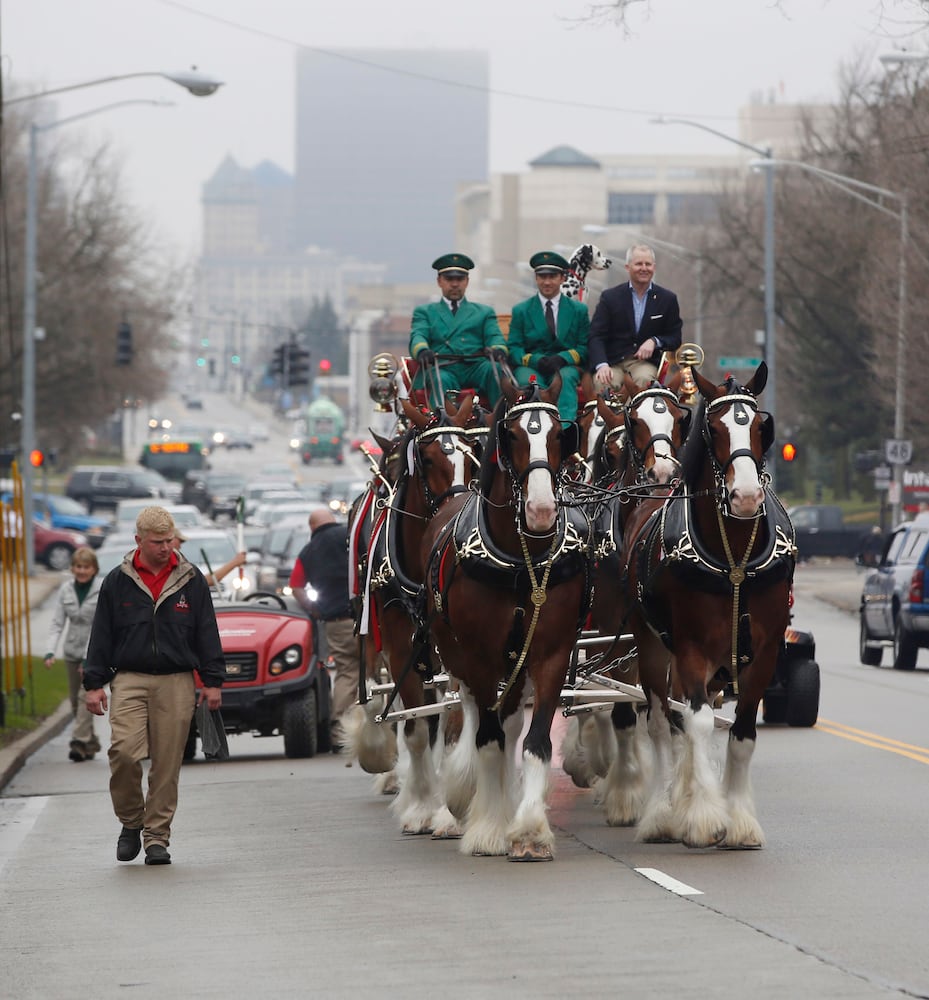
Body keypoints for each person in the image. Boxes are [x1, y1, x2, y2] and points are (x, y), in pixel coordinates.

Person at [84, 506, 224, 866]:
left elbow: (207, 631)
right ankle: (131, 822)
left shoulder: (190, 579)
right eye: (157, 542)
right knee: (125, 752)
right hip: (129, 678)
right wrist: (94, 683)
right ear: (139, 541)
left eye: (169, 541)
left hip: (176, 681)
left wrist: (212, 682)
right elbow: (101, 633)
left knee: (166, 763)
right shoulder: (117, 581)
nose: (165, 548)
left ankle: (157, 838)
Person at [289, 508, 360, 752]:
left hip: (336, 622)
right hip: (367, 617)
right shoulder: (351, 535)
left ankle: (341, 731)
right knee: (378, 670)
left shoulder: (308, 552)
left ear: (312, 528)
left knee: (347, 672)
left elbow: (296, 586)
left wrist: (315, 608)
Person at [409, 252, 509, 410]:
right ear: (439, 281)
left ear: (467, 281)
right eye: (449, 279)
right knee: (441, 379)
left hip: (475, 366)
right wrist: (422, 350)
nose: (455, 284)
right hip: (443, 366)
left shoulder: (484, 312)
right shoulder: (425, 312)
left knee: (495, 370)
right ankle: (442, 426)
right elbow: (418, 335)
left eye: (460, 279)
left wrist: (498, 349)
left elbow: (494, 336)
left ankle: (502, 421)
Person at [506, 250, 590, 423]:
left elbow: (584, 346)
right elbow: (514, 348)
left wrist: (563, 358)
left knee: (565, 379)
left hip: (564, 366)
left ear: (563, 278)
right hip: (531, 367)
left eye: (552, 276)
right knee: (528, 382)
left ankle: (566, 433)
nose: (547, 282)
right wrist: (534, 360)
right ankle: (531, 432)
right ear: (536, 279)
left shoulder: (578, 310)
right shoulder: (521, 310)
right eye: (542, 277)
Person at [588, 243, 683, 389]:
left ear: (654, 267)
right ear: (628, 267)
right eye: (638, 264)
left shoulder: (667, 299)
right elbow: (596, 336)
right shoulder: (610, 297)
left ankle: (638, 413)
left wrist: (655, 341)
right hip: (613, 363)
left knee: (644, 382)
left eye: (648, 264)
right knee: (604, 382)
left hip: (644, 365)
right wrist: (601, 365)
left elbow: (675, 337)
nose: (644, 268)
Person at [44, 546, 103, 763]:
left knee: (84, 695)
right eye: (78, 566)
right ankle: (90, 741)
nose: (82, 571)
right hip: (71, 652)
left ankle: (78, 742)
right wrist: (50, 650)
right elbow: (57, 622)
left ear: (94, 569)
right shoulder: (66, 590)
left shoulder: (101, 589)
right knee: (76, 703)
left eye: (86, 567)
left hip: (94, 654)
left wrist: (89, 659)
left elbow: (99, 627)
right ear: (72, 568)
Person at [172, 528, 247, 589]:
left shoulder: (180, 564)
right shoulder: (175, 567)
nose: (180, 546)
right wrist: (235, 562)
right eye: (180, 541)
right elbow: (208, 581)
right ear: (172, 539)